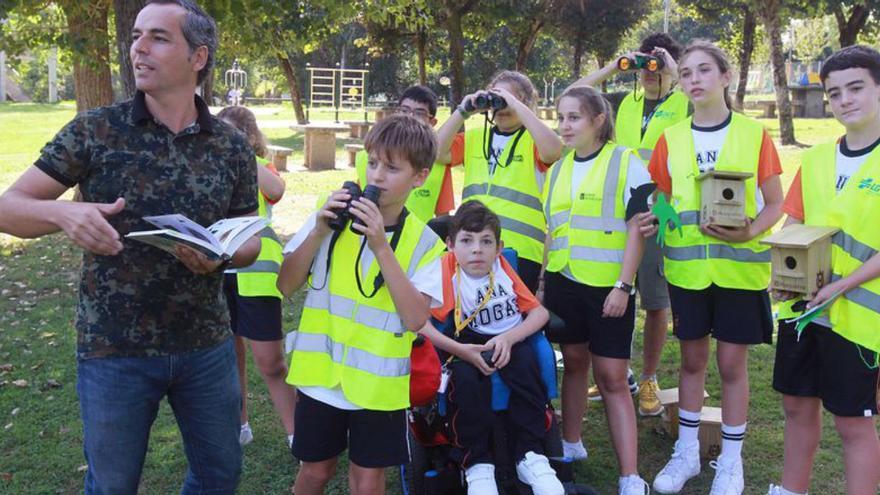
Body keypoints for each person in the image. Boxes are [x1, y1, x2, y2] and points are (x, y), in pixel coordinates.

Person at [0, 1, 260, 492]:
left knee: (219, 476)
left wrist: (220, 256)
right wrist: (63, 213)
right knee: (113, 485)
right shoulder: (95, 130)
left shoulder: (230, 145)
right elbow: (8, 207)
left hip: (206, 345)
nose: (138, 47)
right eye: (137, 35)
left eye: (158, 37)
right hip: (114, 348)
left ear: (198, 57)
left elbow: (247, 240)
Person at [640, 40, 784, 494]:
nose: (694, 79)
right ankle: (686, 453)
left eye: (704, 70)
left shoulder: (754, 134)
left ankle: (731, 462)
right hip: (687, 273)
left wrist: (748, 232)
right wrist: (658, 218)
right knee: (692, 360)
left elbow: (776, 203)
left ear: (726, 77)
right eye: (685, 73)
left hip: (740, 271)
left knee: (732, 365)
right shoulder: (670, 138)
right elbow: (660, 196)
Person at [277, 114, 446, 495]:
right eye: (372, 163)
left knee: (367, 482)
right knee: (314, 472)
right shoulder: (329, 212)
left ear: (419, 177)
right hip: (322, 377)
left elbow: (418, 319)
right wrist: (319, 230)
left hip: (378, 386)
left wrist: (381, 246)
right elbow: (286, 284)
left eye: (391, 167)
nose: (377, 176)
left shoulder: (424, 242)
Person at [767, 45, 880, 495]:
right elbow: (793, 223)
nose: (845, 100)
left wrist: (844, 286)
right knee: (796, 406)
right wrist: (781, 275)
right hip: (803, 309)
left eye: (856, 87)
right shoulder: (814, 159)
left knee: (853, 424)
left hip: (859, 320)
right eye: (835, 93)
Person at [571, 33, 689, 417]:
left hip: (660, 212)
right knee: (609, 294)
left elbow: (695, 93)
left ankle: (651, 377)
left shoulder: (683, 102)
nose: (650, 72)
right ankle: (615, 371)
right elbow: (576, 92)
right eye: (646, 65)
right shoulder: (625, 105)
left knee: (655, 302)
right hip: (617, 212)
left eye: (658, 64)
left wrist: (671, 68)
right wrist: (616, 64)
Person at [543, 86, 651, 495]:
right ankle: (571, 445)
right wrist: (541, 287)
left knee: (611, 377)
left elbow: (638, 230)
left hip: (609, 288)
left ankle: (630, 476)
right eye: (561, 117)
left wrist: (623, 286)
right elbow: (554, 232)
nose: (564, 126)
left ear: (598, 120)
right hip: (563, 283)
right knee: (572, 362)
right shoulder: (557, 170)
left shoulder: (626, 162)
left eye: (574, 117)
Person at [418, 200, 564, 495]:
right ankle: (477, 463)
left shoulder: (502, 268)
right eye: (467, 241)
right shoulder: (443, 271)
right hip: (465, 341)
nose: (477, 250)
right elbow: (420, 325)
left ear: (499, 247)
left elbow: (540, 314)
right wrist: (460, 351)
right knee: (467, 380)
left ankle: (530, 455)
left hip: (508, 338)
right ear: (450, 245)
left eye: (486, 242)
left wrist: (510, 339)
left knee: (526, 367)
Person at [437, 70, 564, 292]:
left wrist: (516, 106)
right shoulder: (476, 138)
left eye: (507, 99)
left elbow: (554, 150)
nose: (501, 107)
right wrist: (462, 111)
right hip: (473, 247)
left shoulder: (533, 140)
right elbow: (435, 152)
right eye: (496, 98)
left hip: (520, 252)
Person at [216, 105, 296, 449]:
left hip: (256, 275)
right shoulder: (208, 169)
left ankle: (299, 436)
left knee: (271, 363)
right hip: (217, 273)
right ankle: (239, 425)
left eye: (230, 133)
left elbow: (276, 191)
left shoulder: (259, 167)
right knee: (229, 357)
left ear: (247, 137)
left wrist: (241, 153)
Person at [355, 85, 455, 223]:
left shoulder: (440, 166)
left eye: (419, 113)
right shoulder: (365, 156)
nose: (410, 116)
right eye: (404, 110)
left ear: (432, 122)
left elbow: (443, 216)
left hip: (415, 240)